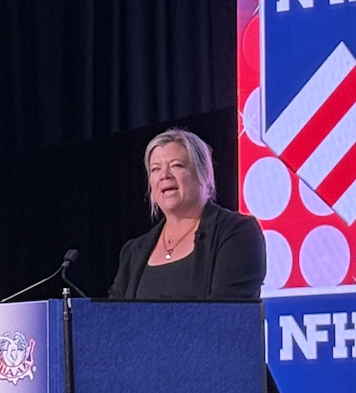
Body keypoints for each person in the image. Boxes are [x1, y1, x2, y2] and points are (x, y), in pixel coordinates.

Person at [109, 128, 265, 302]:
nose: (164, 175)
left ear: (203, 173)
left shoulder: (236, 233)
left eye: (177, 165)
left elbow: (225, 316)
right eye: (155, 169)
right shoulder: (133, 252)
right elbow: (114, 317)